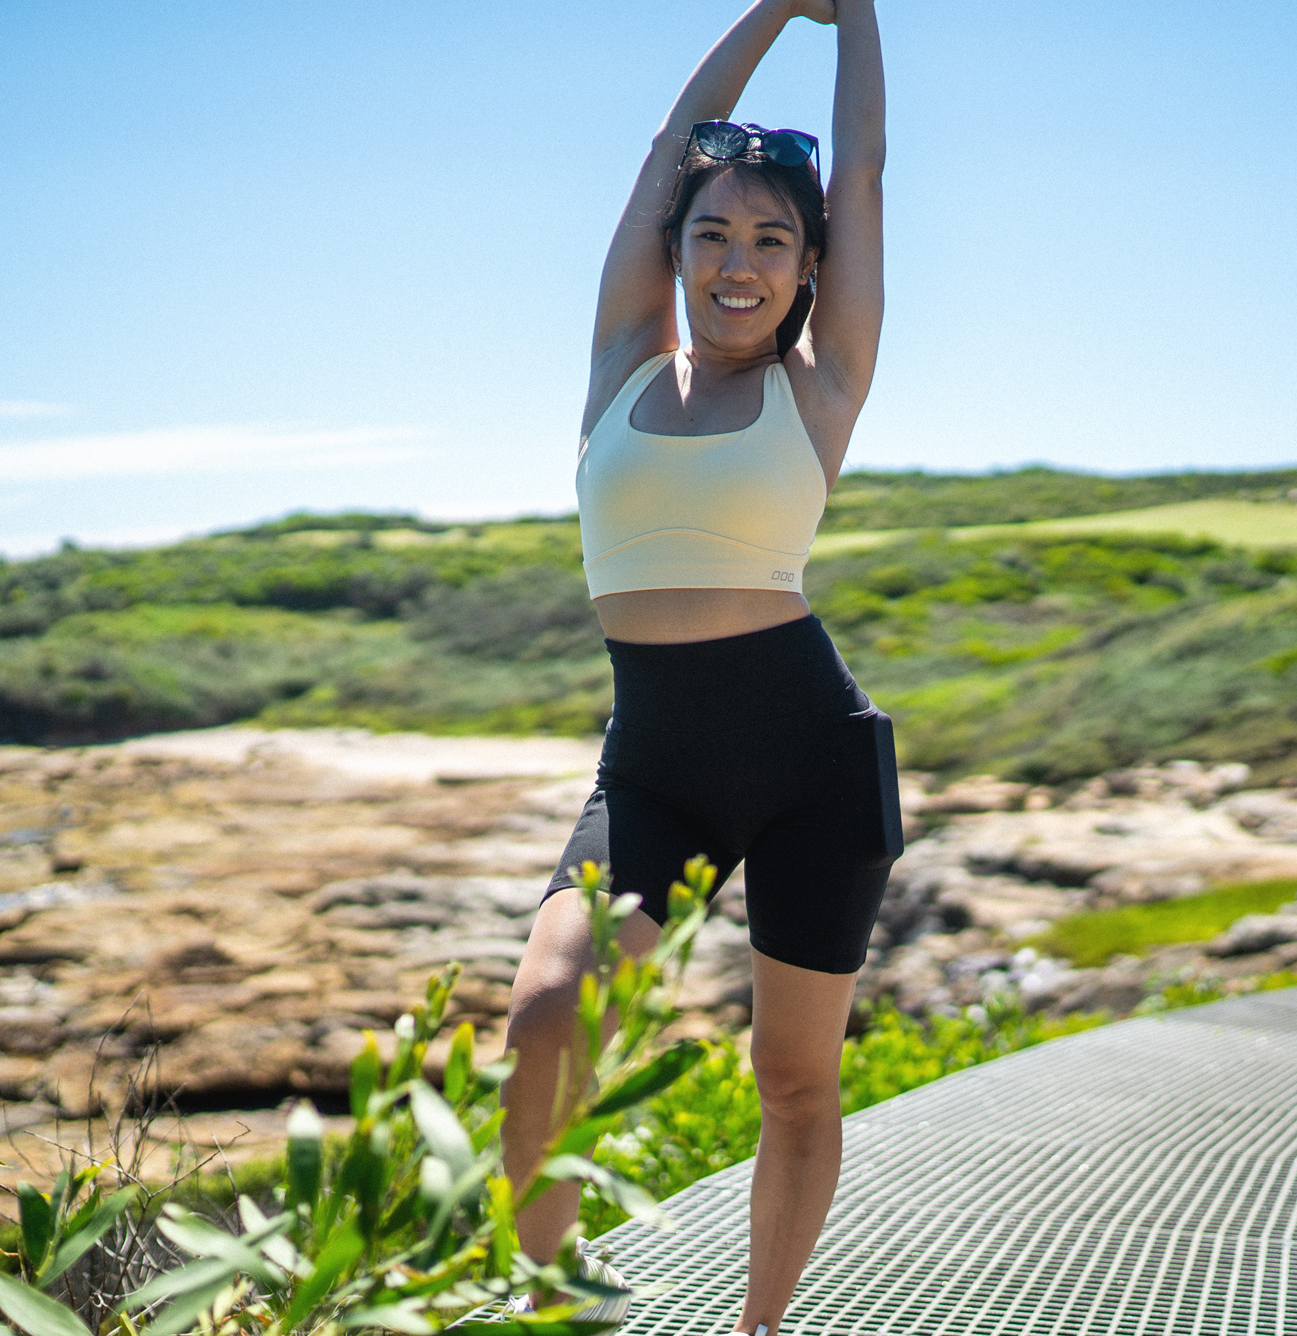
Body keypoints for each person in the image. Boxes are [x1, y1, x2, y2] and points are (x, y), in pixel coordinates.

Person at [500, 2, 889, 1334]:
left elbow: (863, 168)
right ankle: (555, 1314)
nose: (738, 262)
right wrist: (775, 7)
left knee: (794, 1078)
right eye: (713, 232)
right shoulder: (622, 363)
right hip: (655, 768)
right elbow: (670, 141)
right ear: (674, 246)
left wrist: (857, 15)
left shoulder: (819, 386)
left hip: (812, 764)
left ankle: (759, 1327)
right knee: (546, 1019)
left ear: (809, 268)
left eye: (773, 241)